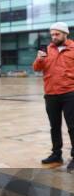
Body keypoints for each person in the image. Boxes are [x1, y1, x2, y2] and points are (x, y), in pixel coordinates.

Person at [33, 22, 74, 172]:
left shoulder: (73, 48)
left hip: (70, 93)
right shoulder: (47, 50)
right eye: (52, 34)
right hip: (51, 94)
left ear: (65, 34)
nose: (54, 37)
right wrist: (39, 59)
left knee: (72, 126)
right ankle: (56, 154)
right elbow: (37, 68)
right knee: (54, 127)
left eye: (57, 34)